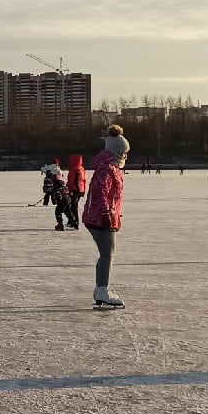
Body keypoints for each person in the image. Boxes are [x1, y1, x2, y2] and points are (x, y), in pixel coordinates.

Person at [83, 125, 129, 308]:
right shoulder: (108, 168)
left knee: (107, 254)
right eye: (124, 153)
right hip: (100, 218)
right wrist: (106, 213)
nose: (126, 157)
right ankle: (102, 289)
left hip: (103, 216)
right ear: (118, 152)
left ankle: (101, 288)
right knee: (107, 254)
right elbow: (100, 192)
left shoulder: (110, 167)